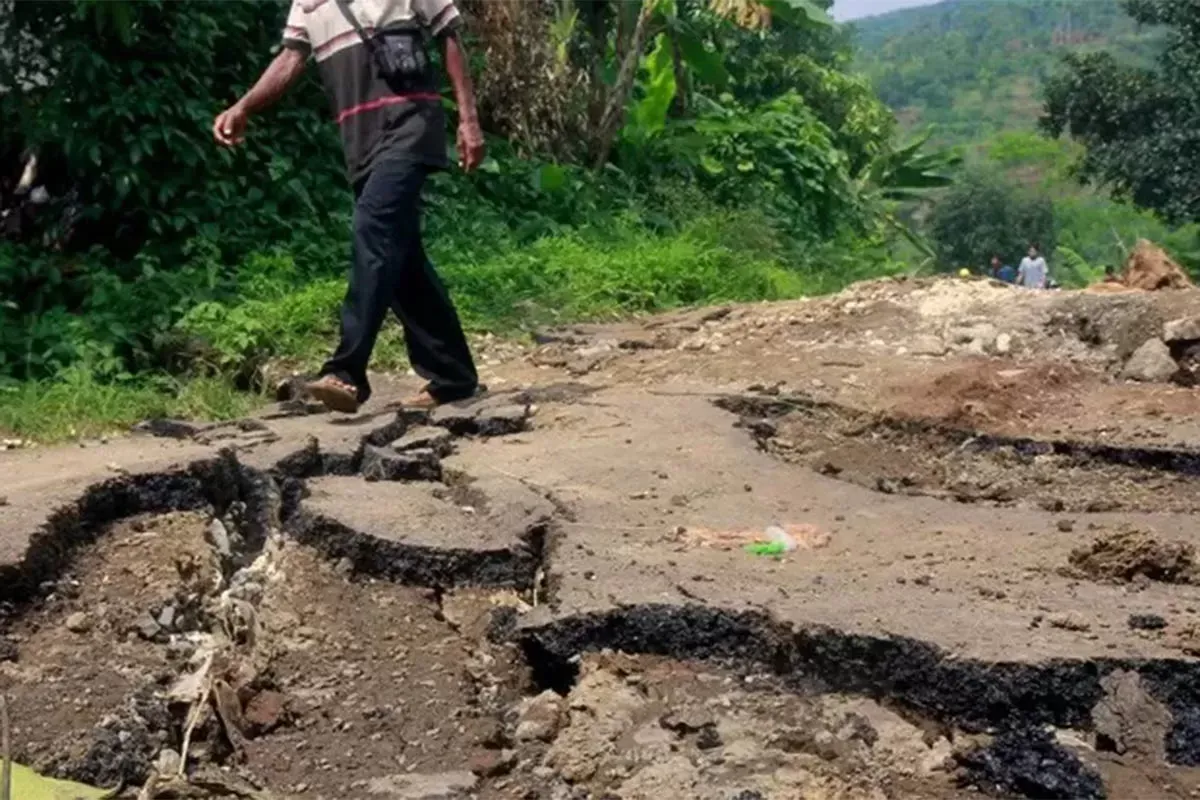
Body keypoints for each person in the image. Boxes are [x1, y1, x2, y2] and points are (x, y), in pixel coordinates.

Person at [213, 0, 484, 413]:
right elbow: (290, 58)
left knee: (372, 231)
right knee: (403, 260)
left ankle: (346, 370)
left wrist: (468, 120)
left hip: (411, 126)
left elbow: (449, 37)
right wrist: (244, 106)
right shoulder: (307, 3)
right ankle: (454, 377)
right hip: (361, 142)